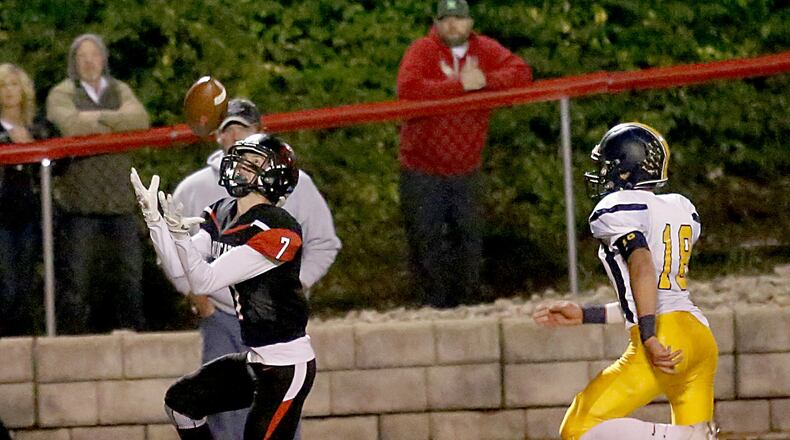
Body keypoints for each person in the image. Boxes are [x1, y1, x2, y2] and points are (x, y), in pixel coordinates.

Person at [532, 123, 718, 440]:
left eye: (608, 166)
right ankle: (691, 435)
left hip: (664, 335)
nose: (603, 174)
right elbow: (655, 294)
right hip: (699, 337)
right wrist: (587, 314)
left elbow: (641, 264)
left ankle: (683, 436)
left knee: (579, 428)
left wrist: (648, 334)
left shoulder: (616, 208)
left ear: (625, 169)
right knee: (696, 433)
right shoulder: (680, 207)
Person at [171, 98, 340, 439]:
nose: (234, 137)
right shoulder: (196, 189)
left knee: (273, 423)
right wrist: (191, 290)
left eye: (242, 129)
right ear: (217, 137)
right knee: (195, 406)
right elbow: (181, 256)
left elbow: (324, 242)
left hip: (277, 335)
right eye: (226, 129)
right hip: (220, 315)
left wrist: (293, 281)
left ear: (260, 134)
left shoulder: (292, 191)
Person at [130, 133, 315, 440]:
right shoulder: (225, 211)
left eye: (254, 163)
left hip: (286, 366)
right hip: (256, 358)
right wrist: (156, 223)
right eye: (242, 158)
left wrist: (178, 237)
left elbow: (205, 280)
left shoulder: (278, 227)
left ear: (274, 177)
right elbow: (179, 269)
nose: (242, 167)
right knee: (181, 404)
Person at [397, 0, 532, 308]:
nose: (453, 25)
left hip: (466, 165)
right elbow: (409, 88)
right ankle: (433, 304)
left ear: (470, 22)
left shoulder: (485, 49)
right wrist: (460, 85)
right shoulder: (422, 50)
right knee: (425, 238)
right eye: (446, 19)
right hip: (422, 165)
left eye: (459, 18)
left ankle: (468, 300)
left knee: (469, 236)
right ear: (436, 23)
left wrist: (485, 81)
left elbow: (521, 71)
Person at [46, 33, 150, 334]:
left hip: (121, 200)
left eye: (94, 55)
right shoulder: (62, 92)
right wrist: (115, 122)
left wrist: (97, 118)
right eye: (82, 56)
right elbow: (71, 125)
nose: (89, 61)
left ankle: (135, 340)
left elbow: (140, 119)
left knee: (130, 278)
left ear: (103, 59)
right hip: (80, 203)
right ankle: (71, 347)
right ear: (74, 61)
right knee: (77, 281)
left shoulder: (119, 89)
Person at [0, 63, 56, 336]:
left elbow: (59, 160)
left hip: (30, 214)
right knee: (7, 286)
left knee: (25, 285)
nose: (9, 91)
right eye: (3, 86)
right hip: (2, 216)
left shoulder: (39, 127)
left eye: (13, 84)